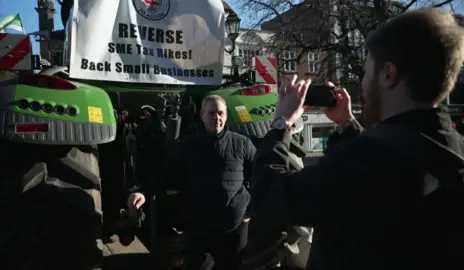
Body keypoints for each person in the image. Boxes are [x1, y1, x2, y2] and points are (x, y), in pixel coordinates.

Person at [250, 8, 464, 270]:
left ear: (388, 74)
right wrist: (347, 124)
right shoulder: (454, 149)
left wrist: (281, 124)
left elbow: (267, 197)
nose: (362, 84)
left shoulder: (362, 163)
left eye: (366, 71)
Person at [127, 95, 256, 270]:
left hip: (235, 228)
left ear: (226, 116)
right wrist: (143, 192)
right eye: (211, 113)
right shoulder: (190, 146)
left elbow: (259, 178)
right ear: (202, 114)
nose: (216, 118)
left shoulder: (242, 144)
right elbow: (166, 173)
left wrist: (249, 211)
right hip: (202, 228)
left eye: (220, 113)